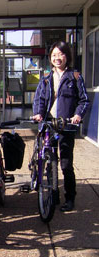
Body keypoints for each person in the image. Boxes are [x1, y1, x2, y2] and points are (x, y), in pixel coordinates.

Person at [32, 40, 90, 212]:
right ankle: (53, 194)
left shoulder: (75, 76)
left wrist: (78, 115)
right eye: (54, 55)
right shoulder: (46, 79)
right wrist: (38, 114)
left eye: (61, 54)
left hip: (66, 125)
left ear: (67, 57)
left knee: (66, 163)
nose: (57, 58)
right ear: (50, 58)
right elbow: (39, 100)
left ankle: (70, 197)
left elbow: (84, 100)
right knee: (49, 161)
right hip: (49, 124)